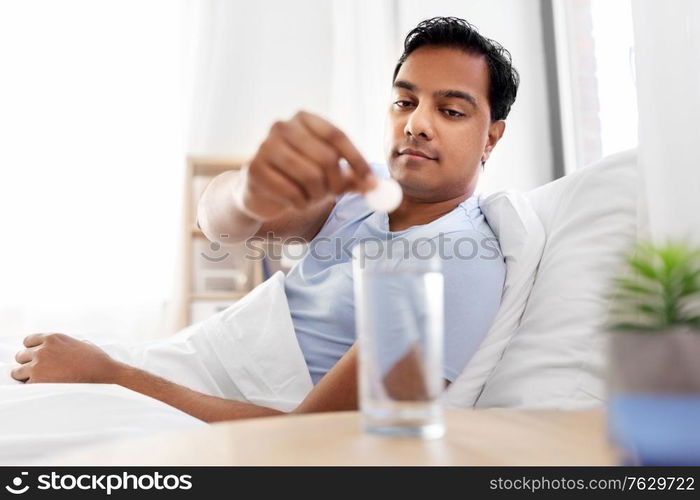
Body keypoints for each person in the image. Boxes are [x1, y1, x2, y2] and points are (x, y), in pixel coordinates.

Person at [11, 17, 518, 422]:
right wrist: (248, 190)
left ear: (491, 137)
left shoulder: (456, 264)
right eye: (404, 102)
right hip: (180, 369)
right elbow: (220, 226)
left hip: (214, 414)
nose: (416, 124)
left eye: (451, 111)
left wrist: (111, 376)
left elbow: (313, 440)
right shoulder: (359, 187)